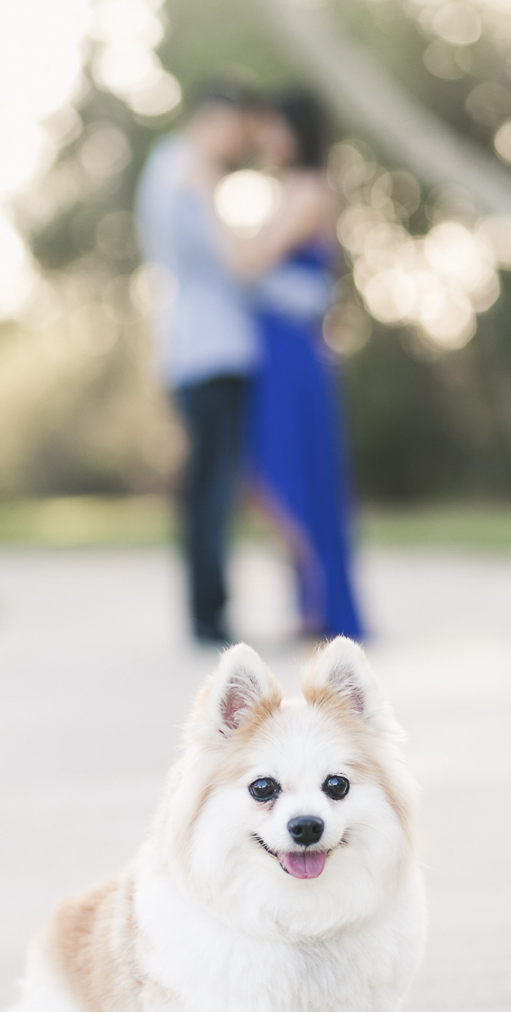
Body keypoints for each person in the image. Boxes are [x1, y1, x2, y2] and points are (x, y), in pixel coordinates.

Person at [221, 90, 364, 640]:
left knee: (295, 471)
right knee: (270, 472)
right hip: (274, 349)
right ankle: (310, 601)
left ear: (299, 131)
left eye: (276, 128)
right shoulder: (290, 190)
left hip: (294, 356)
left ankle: (322, 607)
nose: (267, 140)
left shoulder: (309, 192)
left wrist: (212, 223)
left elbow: (252, 263)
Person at [135, 81, 259, 645]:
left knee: (205, 485)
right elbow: (228, 262)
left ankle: (207, 611)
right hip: (212, 349)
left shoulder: (166, 167)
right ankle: (210, 615)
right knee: (211, 487)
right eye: (238, 130)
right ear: (218, 118)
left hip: (190, 348)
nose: (239, 144)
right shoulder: (186, 169)